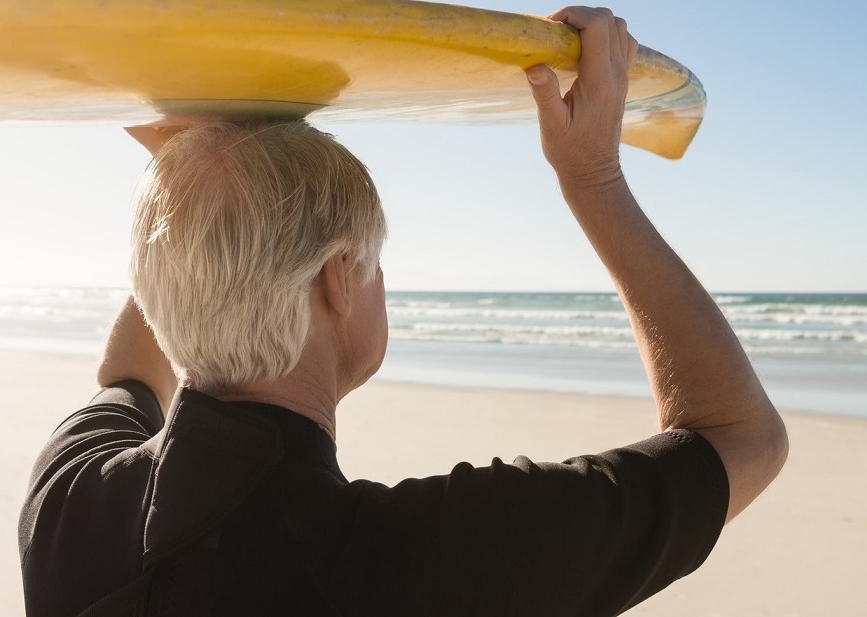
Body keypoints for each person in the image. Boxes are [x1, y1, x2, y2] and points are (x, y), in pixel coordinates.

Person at [19, 7, 787, 616]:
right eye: (376, 263)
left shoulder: (66, 498)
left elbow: (125, 375)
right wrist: (594, 179)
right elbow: (741, 436)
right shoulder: (426, 561)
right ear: (341, 280)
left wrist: (195, 205)